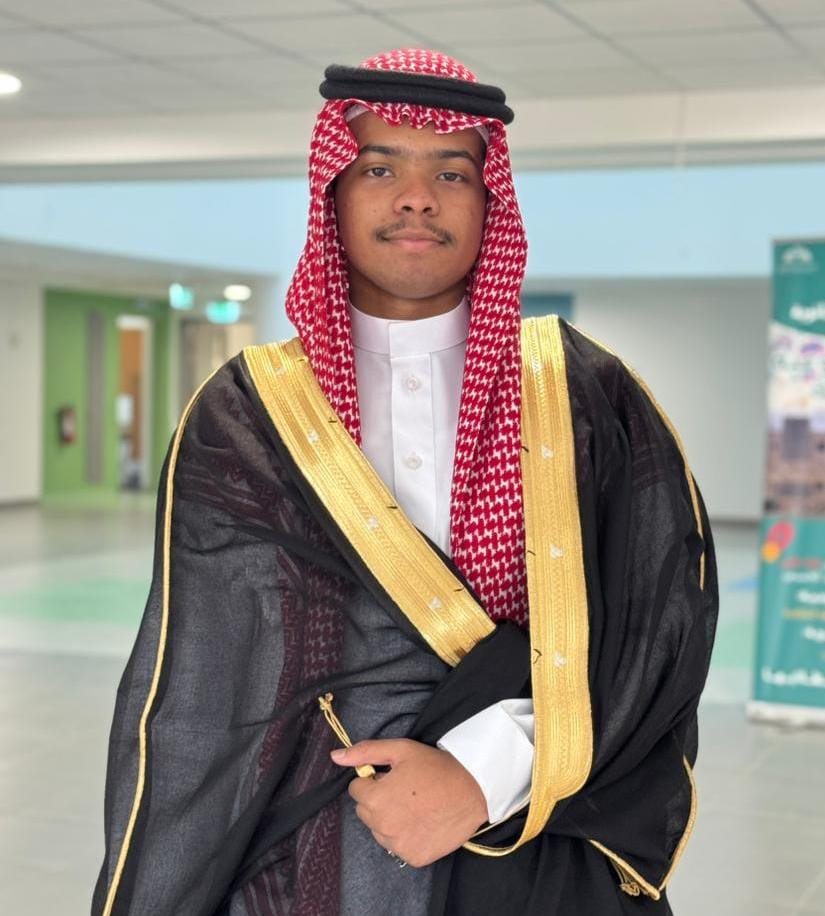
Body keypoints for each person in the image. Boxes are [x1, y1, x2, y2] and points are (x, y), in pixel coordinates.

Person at [92, 49, 718, 916]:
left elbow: (659, 625)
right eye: (379, 168)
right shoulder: (246, 409)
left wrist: (483, 773)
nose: (416, 197)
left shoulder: (585, 391)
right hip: (307, 845)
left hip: (536, 839)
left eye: (451, 172)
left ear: (488, 200)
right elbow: (207, 679)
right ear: (333, 193)